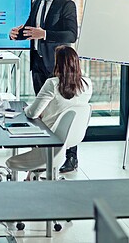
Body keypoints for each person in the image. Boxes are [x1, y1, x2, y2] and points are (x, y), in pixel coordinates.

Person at [9, 0, 78, 95]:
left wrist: (44, 34)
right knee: (40, 105)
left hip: (56, 64)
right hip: (36, 63)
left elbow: (71, 35)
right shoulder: (36, 4)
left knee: (56, 104)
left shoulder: (66, 4)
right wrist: (15, 34)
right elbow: (30, 30)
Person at [23, 46, 92, 174]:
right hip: (73, 135)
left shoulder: (52, 84)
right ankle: (37, 173)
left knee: (30, 121)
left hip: (51, 135)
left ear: (58, 63)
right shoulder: (87, 84)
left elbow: (32, 113)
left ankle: (36, 169)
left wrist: (26, 109)